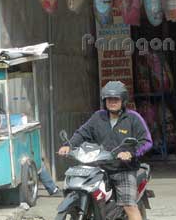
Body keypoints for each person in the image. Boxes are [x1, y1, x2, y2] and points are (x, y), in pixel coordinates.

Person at [59, 81, 152, 220]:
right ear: (104, 101)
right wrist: (69, 145)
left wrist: (130, 153)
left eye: (116, 99)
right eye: (109, 99)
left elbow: (146, 141)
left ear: (123, 100)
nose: (112, 102)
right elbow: (82, 133)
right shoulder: (98, 117)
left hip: (123, 169)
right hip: (100, 167)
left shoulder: (133, 118)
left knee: (128, 205)